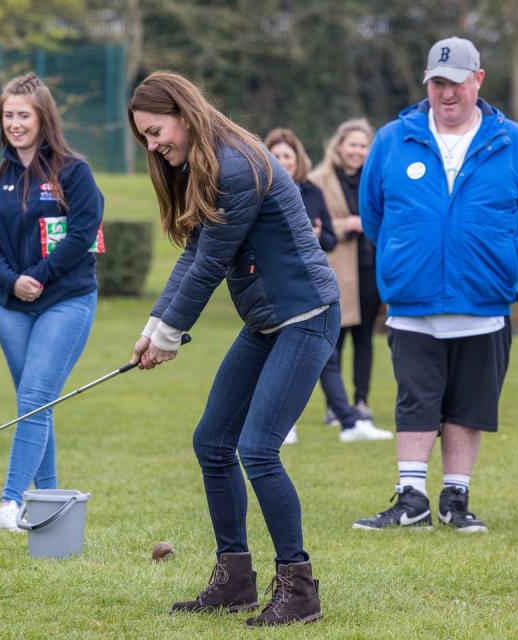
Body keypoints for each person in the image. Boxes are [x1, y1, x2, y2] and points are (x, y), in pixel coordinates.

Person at [129, 72, 339, 626]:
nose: (153, 146)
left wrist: (171, 337)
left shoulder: (236, 168)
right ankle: (235, 579)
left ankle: (299, 589)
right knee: (212, 441)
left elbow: (211, 267)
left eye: (155, 132)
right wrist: (155, 327)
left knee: (259, 449)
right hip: (265, 320)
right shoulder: (208, 163)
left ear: (182, 111)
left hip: (305, 317)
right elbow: (193, 255)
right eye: (145, 139)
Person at [353, 37, 518, 532]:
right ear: (427, 83)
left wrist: (492, 253)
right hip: (413, 300)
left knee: (469, 403)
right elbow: (374, 215)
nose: (446, 93)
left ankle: (455, 498)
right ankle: (412, 498)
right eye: (437, 82)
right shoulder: (392, 139)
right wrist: (409, 252)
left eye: (456, 82)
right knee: (414, 399)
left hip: (482, 303)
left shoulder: (515, 142)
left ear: (477, 80)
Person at [0, 73, 103, 532]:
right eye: (7, 115)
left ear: (42, 117)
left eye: (22, 115)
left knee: (33, 398)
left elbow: (83, 236)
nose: (14, 124)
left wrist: (39, 277)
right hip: (10, 307)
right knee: (36, 402)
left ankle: (11, 503)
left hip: (65, 301)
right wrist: (13, 281)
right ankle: (48, 502)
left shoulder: (74, 173)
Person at [309, 119, 392, 441]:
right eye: (352, 144)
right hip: (337, 269)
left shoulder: (377, 179)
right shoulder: (319, 179)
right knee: (335, 338)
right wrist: (347, 225)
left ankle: (361, 401)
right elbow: (315, 223)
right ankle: (335, 405)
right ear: (339, 146)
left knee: (364, 338)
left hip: (370, 267)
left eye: (363, 145)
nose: (357, 151)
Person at [264, 128, 335, 445]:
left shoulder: (312, 192)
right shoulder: (258, 192)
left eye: (286, 157)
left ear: (297, 160)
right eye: (275, 156)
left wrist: (315, 239)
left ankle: (344, 415)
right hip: (269, 292)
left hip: (308, 292)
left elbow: (330, 237)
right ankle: (279, 422)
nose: (281, 162)